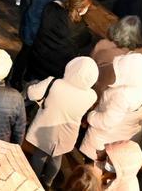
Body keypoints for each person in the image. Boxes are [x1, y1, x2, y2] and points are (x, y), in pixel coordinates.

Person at [24, 56, 100, 186]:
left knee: (39, 155)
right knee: (57, 158)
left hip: (45, 128)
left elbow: (32, 94)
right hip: (67, 133)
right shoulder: (92, 96)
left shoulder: (54, 83)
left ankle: (34, 180)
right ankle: (48, 182)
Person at [79, 53, 142, 160]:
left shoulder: (122, 95)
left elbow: (106, 122)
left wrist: (90, 115)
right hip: (126, 136)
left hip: (102, 141)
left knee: (90, 169)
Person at [25, 0, 95, 81]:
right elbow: (86, 42)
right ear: (81, 9)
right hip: (55, 69)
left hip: (37, 57)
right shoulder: (80, 29)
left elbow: (56, 5)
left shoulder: (51, 8)